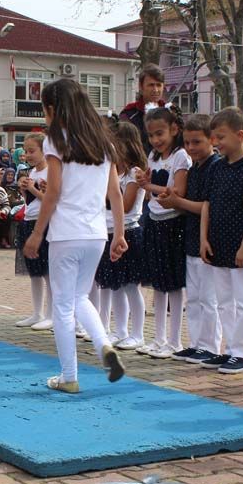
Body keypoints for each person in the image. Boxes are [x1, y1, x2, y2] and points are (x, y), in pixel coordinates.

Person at [22, 78, 127, 393]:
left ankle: (69, 377)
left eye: (44, 110)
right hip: (96, 234)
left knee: (63, 306)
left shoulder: (56, 140)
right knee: (80, 297)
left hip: (66, 233)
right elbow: (116, 195)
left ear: (53, 109)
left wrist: (37, 233)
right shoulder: (104, 141)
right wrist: (119, 234)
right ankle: (104, 344)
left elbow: (52, 192)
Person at [197, 107, 243, 374]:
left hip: (241, 246)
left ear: (240, 135)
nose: (217, 143)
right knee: (224, 300)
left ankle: (242, 352)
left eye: (221, 137)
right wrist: (204, 238)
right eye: (214, 137)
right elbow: (207, 205)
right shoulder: (218, 168)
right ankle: (228, 349)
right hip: (218, 242)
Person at [155, 114, 221, 364]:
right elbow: (186, 204)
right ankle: (196, 343)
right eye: (188, 143)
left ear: (211, 140)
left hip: (208, 240)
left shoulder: (215, 167)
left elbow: (206, 206)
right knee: (193, 296)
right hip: (190, 237)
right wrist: (171, 200)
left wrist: (176, 202)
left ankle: (211, 346)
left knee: (208, 298)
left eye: (197, 142)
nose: (191, 148)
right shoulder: (194, 169)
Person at [138, 107, 191, 358]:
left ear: (174, 129)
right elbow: (152, 193)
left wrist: (148, 185)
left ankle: (175, 340)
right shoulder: (154, 157)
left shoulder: (181, 157)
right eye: (151, 135)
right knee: (158, 283)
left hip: (173, 223)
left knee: (174, 284)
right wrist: (146, 185)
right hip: (155, 221)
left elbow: (177, 192)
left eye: (160, 134)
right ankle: (158, 338)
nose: (155, 140)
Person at [96, 121, 147, 350]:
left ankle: (138, 333)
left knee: (130, 286)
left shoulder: (135, 174)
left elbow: (125, 206)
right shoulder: (118, 172)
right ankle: (121, 330)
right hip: (110, 231)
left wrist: (107, 198)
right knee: (115, 285)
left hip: (129, 232)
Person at [13, 132, 54, 330]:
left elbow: (50, 200)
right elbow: (30, 200)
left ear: (44, 150)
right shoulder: (32, 173)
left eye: (32, 151)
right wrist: (24, 189)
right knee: (34, 272)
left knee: (47, 272)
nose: (28, 155)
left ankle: (50, 314)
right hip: (29, 220)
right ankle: (37, 312)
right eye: (26, 151)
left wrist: (33, 189)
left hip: (44, 223)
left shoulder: (50, 172)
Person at [119, 63, 169, 153]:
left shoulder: (170, 113)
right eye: (151, 85)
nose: (155, 90)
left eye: (158, 85)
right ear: (140, 87)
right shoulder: (128, 115)